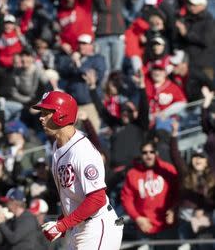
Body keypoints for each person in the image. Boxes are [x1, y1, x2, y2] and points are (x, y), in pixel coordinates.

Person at [31, 91, 123, 248]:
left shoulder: (82, 150)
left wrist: (63, 225)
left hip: (98, 225)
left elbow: (97, 198)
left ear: (61, 115)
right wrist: (62, 221)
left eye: (46, 113)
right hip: (80, 226)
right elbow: (73, 196)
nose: (41, 117)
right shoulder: (57, 146)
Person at [121, 141, 179, 249]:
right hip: (145, 226)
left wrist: (174, 209)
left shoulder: (167, 169)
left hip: (166, 225)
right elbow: (127, 199)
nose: (148, 155)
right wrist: (137, 218)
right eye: (145, 152)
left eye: (151, 152)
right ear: (141, 155)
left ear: (156, 153)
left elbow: (178, 192)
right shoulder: (132, 173)